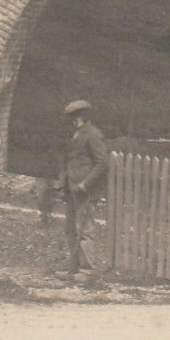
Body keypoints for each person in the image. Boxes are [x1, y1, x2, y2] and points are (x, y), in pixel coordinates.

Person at [57, 99, 111, 278]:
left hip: (85, 191)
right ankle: (73, 269)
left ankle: (87, 271)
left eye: (73, 117)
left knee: (85, 230)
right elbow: (70, 161)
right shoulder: (76, 134)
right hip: (72, 189)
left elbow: (102, 163)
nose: (71, 120)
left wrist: (85, 184)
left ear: (80, 116)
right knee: (71, 229)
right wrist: (63, 184)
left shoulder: (93, 134)